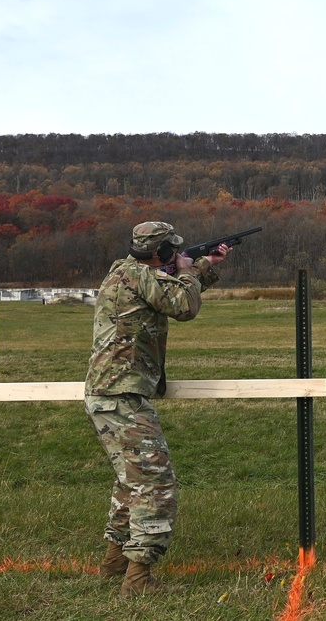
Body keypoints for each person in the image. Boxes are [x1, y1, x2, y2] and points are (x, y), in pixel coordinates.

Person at [84, 221, 230, 597]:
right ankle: (137, 579)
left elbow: (171, 294)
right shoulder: (137, 276)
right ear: (161, 253)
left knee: (131, 481)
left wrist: (204, 266)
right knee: (155, 484)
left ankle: (115, 563)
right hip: (121, 395)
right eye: (171, 251)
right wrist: (190, 270)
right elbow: (183, 305)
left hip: (113, 393)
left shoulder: (125, 270)